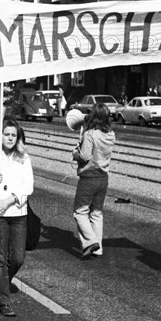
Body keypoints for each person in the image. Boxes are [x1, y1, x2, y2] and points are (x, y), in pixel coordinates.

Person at [0, 119, 33, 317]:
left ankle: (0, 283)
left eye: (13, 135)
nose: (10, 138)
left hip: (17, 212)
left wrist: (10, 199)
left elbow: (29, 186)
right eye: (6, 134)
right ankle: (2, 300)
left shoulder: (24, 158)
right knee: (0, 258)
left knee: (18, 257)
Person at [72, 102, 115, 259]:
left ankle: (90, 242)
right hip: (103, 177)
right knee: (96, 212)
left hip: (89, 177)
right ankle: (98, 248)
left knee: (80, 212)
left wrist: (75, 153)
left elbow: (84, 156)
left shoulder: (90, 134)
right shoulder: (111, 134)